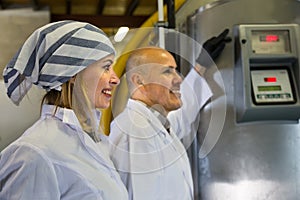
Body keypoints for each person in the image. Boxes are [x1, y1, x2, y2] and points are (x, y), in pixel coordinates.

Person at [0, 20, 128, 200]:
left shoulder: (91, 141)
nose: (116, 79)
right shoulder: (36, 152)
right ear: (73, 73)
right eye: (106, 67)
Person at [108, 30, 230, 200]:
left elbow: (183, 112)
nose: (178, 79)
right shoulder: (134, 132)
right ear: (139, 81)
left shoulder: (156, 124)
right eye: (167, 72)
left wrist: (201, 66)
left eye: (175, 70)